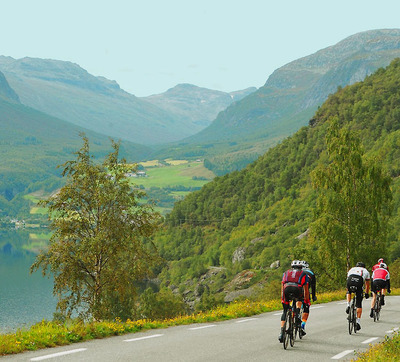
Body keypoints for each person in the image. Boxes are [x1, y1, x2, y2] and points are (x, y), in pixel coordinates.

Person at [279, 260, 310, 343]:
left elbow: (282, 286)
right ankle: (297, 315)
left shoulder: (285, 273)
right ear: (301, 268)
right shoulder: (304, 274)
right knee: (299, 299)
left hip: (286, 289)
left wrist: (283, 298)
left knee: (285, 311)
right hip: (297, 289)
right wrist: (306, 301)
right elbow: (306, 290)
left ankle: (282, 333)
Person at [346, 262, 370, 331]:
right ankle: (358, 322)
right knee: (359, 303)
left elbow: (348, 279)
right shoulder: (365, 271)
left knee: (348, 291)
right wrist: (366, 293)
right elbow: (367, 284)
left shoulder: (352, 269)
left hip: (350, 279)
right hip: (359, 281)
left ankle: (348, 305)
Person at [300, 261, 317, 336]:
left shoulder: (298, 272)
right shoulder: (311, 273)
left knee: (296, 302)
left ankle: (293, 314)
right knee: (306, 308)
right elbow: (313, 287)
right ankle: (302, 325)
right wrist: (313, 296)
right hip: (305, 291)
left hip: (295, 290)